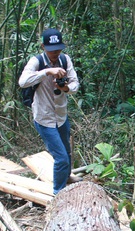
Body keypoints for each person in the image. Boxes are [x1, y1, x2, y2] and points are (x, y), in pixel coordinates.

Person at [19, 28, 81, 195]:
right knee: (60, 157)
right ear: (43, 47)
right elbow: (23, 81)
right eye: (52, 50)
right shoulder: (36, 62)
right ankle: (58, 193)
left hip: (61, 115)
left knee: (66, 151)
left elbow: (75, 84)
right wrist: (46, 71)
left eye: (58, 49)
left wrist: (66, 87)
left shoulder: (65, 60)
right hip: (44, 118)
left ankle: (67, 177)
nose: (55, 53)